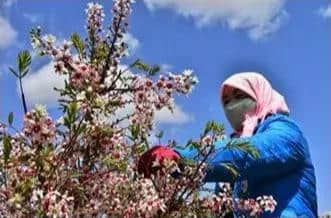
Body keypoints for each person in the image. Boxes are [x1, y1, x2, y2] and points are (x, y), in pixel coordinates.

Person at [138, 72, 318, 218]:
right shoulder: (237, 145)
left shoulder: (286, 131)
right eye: (226, 102)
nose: (232, 105)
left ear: (259, 94)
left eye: (239, 96)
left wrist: (182, 158)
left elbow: (248, 154)